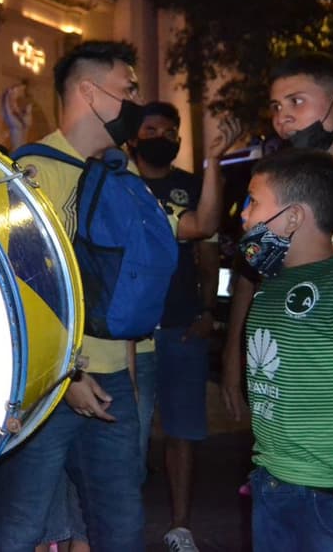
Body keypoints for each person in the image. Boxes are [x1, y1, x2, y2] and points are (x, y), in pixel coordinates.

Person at [0, 41, 149, 552]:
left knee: (121, 526)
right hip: (50, 383)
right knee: (20, 526)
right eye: (127, 89)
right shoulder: (32, 171)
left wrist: (127, 371)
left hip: (115, 378)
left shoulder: (123, 172)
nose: (136, 101)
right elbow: (21, 287)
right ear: (89, 92)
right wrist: (68, 374)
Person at [128, 102, 231, 552]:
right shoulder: (120, 184)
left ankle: (180, 526)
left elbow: (207, 250)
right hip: (131, 333)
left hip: (182, 326)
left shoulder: (192, 187)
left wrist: (207, 311)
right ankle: (123, 524)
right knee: (128, 435)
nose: (162, 137)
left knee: (182, 430)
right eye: (151, 129)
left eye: (170, 131)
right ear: (133, 138)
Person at [222, 52, 333, 422]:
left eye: (297, 101)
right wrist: (233, 356)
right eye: (276, 106)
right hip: (291, 381)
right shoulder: (274, 188)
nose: (282, 118)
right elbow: (251, 273)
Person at [237, 149, 333, 549]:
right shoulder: (270, 284)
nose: (244, 215)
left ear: (294, 216)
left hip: (326, 498)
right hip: (271, 483)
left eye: (254, 202)